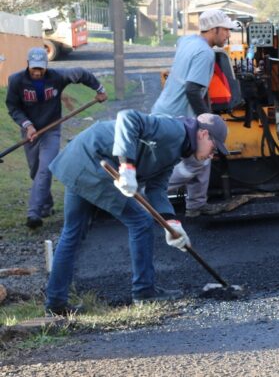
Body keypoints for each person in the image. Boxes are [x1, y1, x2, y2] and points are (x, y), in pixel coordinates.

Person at [44, 109, 229, 315]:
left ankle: (56, 302)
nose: (211, 156)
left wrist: (172, 224)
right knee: (140, 222)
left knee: (73, 232)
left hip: (80, 157)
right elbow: (127, 117)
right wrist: (127, 168)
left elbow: (157, 188)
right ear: (203, 134)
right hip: (93, 159)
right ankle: (144, 292)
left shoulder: (177, 150)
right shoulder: (175, 130)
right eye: (214, 149)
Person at [5, 47, 108, 229]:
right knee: (35, 170)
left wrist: (99, 89)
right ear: (28, 65)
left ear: (46, 66)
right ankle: (46, 205)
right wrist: (27, 126)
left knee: (45, 169)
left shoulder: (57, 77)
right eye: (34, 68)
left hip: (51, 130)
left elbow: (81, 74)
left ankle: (33, 213)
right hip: (30, 132)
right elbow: (13, 107)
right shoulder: (16, 81)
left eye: (40, 68)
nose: (37, 72)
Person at [151, 9, 236, 218]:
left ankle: (196, 205)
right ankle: (144, 198)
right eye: (225, 30)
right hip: (176, 115)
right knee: (195, 162)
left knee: (204, 158)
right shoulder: (205, 53)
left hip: (164, 108)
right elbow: (192, 90)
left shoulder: (186, 40)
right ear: (214, 29)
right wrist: (206, 121)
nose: (228, 35)